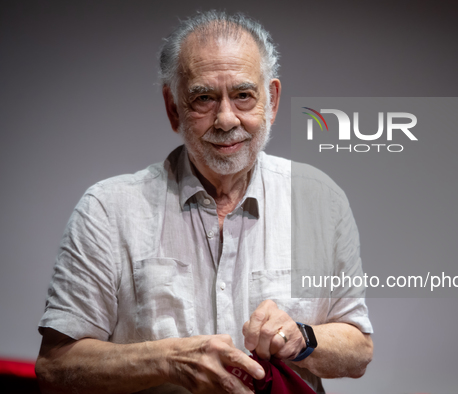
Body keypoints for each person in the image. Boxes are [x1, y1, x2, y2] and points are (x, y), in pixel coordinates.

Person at [35, 11, 373, 394]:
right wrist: (168, 359)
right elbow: (55, 365)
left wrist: (303, 337)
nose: (226, 119)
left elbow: (359, 349)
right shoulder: (107, 209)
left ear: (273, 100)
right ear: (173, 108)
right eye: (204, 98)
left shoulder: (320, 200)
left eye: (244, 95)